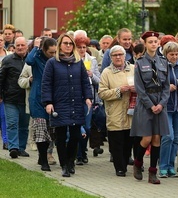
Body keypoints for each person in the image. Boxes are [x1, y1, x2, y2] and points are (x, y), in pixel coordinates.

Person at [41, 33, 93, 177]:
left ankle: (71, 161)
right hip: (60, 104)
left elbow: (84, 81)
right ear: (60, 46)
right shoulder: (52, 63)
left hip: (76, 103)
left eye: (70, 44)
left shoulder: (78, 62)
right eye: (65, 43)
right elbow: (46, 84)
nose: (68, 46)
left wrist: (88, 97)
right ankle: (64, 165)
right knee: (61, 136)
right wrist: (48, 102)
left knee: (76, 136)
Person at [131, 31, 169, 185]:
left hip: (160, 102)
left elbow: (166, 86)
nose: (154, 44)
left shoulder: (163, 62)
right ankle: (138, 162)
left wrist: (161, 104)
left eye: (155, 41)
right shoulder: (139, 63)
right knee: (146, 138)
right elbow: (139, 89)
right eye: (150, 42)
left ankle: (153, 172)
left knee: (157, 138)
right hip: (146, 103)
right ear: (145, 44)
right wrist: (151, 105)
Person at [98, 45, 135, 177]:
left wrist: (136, 90)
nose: (118, 57)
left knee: (128, 142)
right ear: (111, 57)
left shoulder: (133, 69)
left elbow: (142, 87)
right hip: (115, 112)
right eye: (115, 55)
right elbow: (102, 93)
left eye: (120, 54)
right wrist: (119, 90)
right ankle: (119, 168)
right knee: (116, 143)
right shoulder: (106, 72)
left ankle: (125, 163)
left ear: (125, 56)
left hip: (131, 111)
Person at [23, 37, 57, 171]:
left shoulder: (56, 60)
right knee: (41, 129)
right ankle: (44, 161)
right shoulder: (36, 58)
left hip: (53, 97)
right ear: (44, 50)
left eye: (55, 52)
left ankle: (44, 155)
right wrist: (36, 46)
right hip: (37, 98)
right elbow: (28, 60)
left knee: (51, 130)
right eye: (51, 52)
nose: (53, 55)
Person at [159, 42, 178, 178]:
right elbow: (156, 87)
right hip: (167, 107)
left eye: (177, 54)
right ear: (166, 54)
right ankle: (163, 166)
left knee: (176, 139)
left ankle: (171, 166)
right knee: (168, 137)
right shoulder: (161, 68)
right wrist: (167, 88)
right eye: (171, 54)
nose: (174, 57)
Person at [0, 37, 29, 158]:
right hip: (10, 98)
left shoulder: (31, 60)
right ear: (14, 46)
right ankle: (13, 147)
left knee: (24, 125)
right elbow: (1, 78)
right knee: (12, 123)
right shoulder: (8, 60)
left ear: (27, 46)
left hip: (26, 98)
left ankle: (21, 147)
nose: (20, 48)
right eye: (18, 46)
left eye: (22, 45)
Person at [74, 35, 101, 165]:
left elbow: (99, 81)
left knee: (87, 127)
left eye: (84, 47)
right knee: (77, 126)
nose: (82, 49)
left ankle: (83, 150)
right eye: (79, 47)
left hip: (88, 96)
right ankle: (78, 154)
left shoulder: (92, 60)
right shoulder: (71, 60)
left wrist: (91, 74)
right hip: (74, 95)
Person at [0, 34, 11, 150]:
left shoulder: (9, 56)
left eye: (1, 40)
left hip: (4, 90)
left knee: (4, 117)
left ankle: (6, 140)